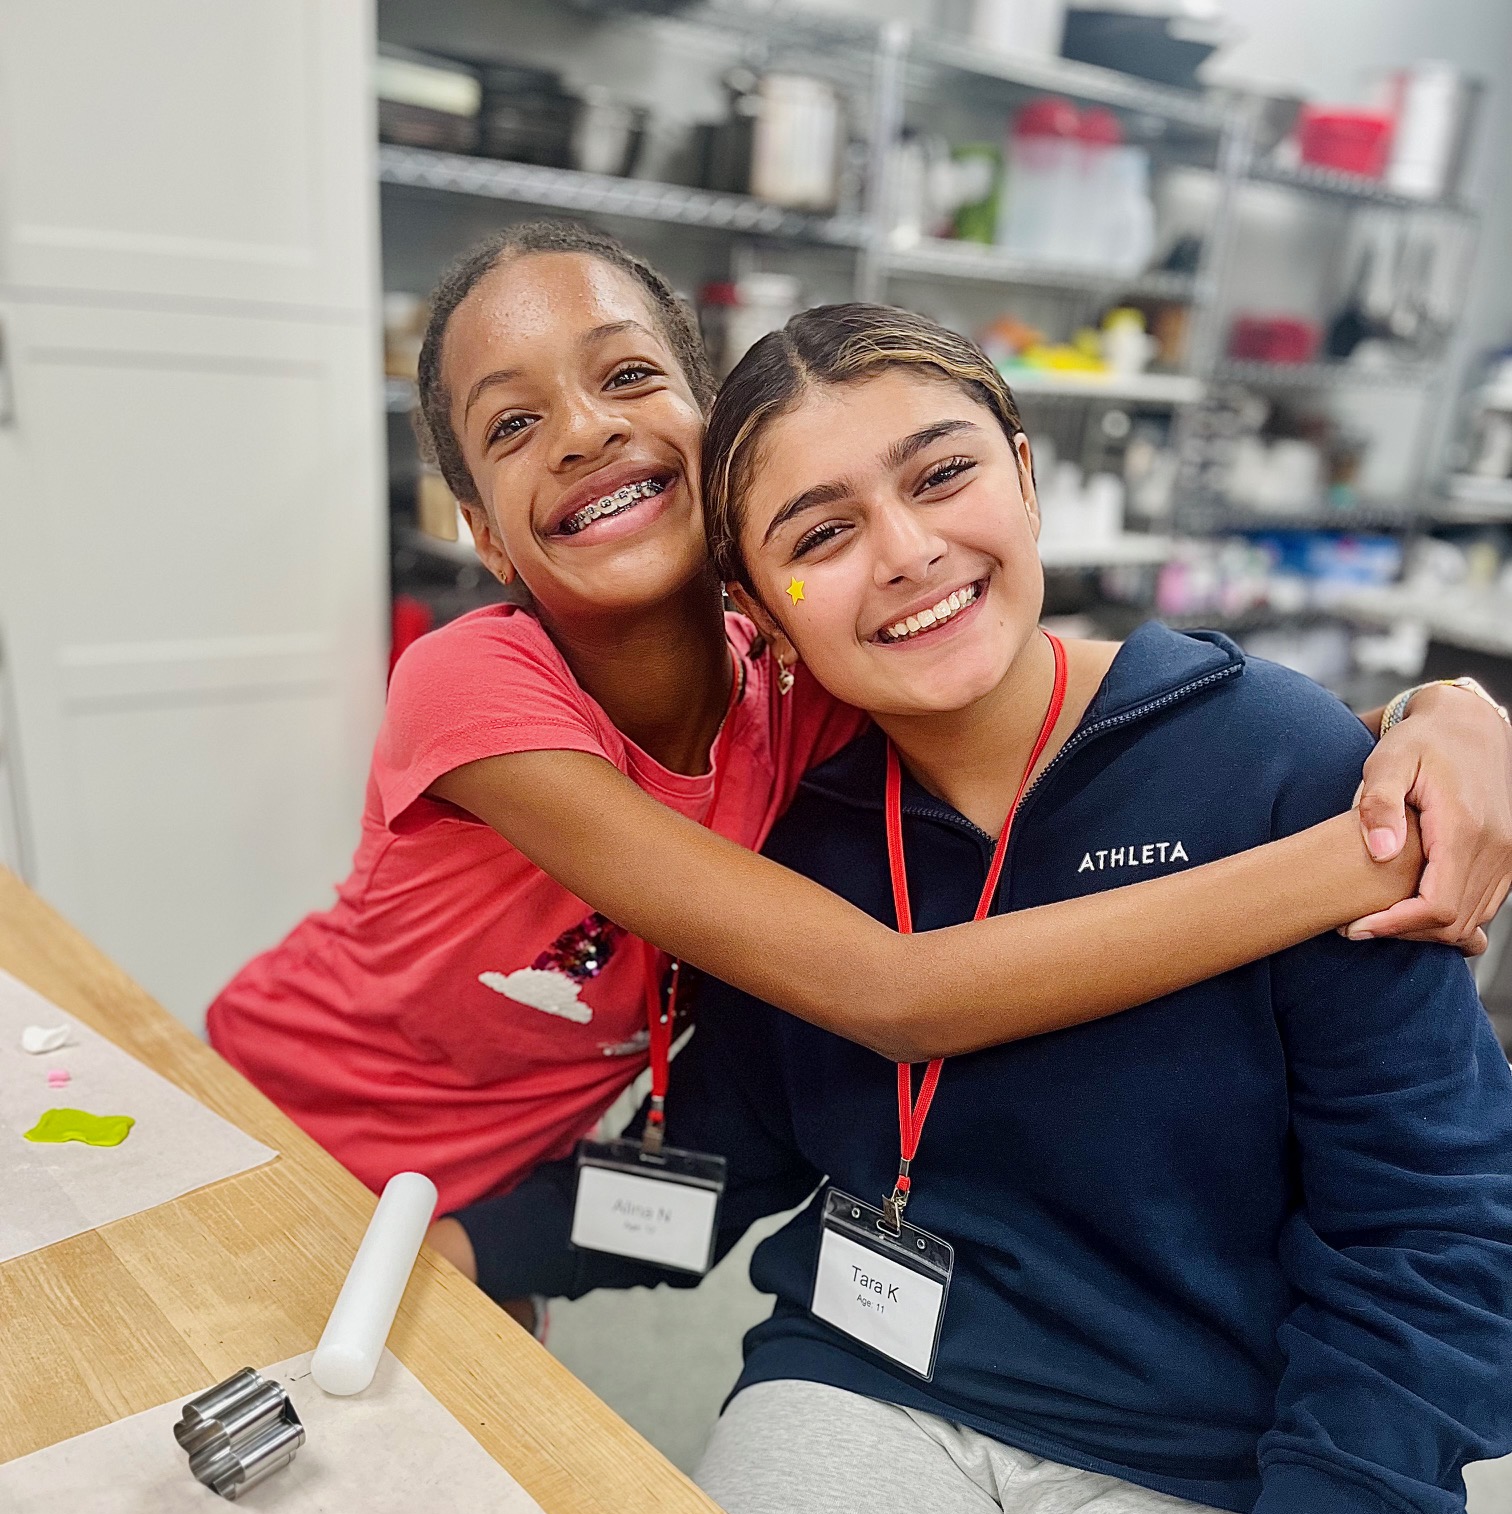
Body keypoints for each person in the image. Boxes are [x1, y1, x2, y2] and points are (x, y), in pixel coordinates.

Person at [452, 304, 1512, 1514]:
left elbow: (1440, 1236)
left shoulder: (1292, 771)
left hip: (1216, 1466)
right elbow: (727, 1153)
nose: (905, 552)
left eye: (940, 475)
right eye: (819, 532)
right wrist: (483, 1247)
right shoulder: (801, 842)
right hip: (870, 1394)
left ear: (1024, 473)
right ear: (759, 606)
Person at [209, 222, 1512, 1236]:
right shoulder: (471, 683)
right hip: (271, 1125)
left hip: (472, 1198)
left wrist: (1430, 719)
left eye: (628, 376)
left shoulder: (799, 675)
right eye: (513, 424)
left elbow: (1122, 714)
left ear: (711, 433)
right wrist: (1367, 853)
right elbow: (896, 996)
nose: (587, 429)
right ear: (485, 536)